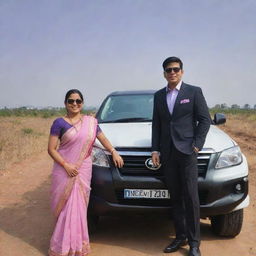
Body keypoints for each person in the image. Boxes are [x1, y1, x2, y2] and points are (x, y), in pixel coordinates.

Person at [48, 89, 124, 256]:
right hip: (64, 169)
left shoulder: (91, 122)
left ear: (82, 103)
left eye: (78, 101)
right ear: (65, 103)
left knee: (80, 206)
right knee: (66, 205)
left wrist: (113, 151)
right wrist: (66, 165)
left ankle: (77, 245)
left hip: (83, 168)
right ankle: (62, 246)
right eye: (71, 101)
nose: (75, 104)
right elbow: (51, 149)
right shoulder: (59, 123)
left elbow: (102, 139)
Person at [151, 57, 211, 256]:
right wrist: (155, 149)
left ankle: (194, 243)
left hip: (187, 153)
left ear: (182, 71)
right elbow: (157, 124)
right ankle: (180, 236)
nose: (172, 72)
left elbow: (204, 120)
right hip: (167, 153)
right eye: (168, 70)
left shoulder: (194, 92)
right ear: (164, 73)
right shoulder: (159, 96)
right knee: (175, 197)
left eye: (176, 69)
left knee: (191, 197)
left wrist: (197, 145)